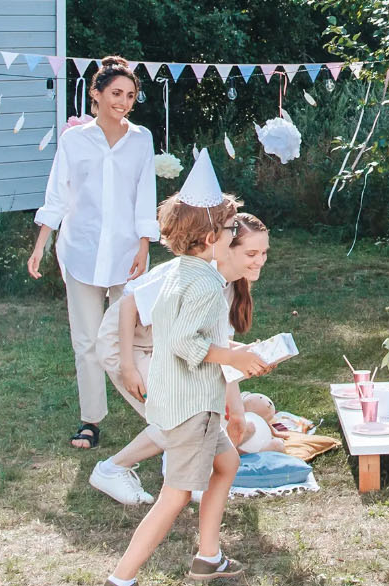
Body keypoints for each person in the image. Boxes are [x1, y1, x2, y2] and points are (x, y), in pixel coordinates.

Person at [105, 149, 270, 585]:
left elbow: (183, 333)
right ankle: (121, 578)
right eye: (232, 228)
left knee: (227, 463)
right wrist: (232, 356)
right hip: (192, 409)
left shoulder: (184, 271)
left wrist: (230, 353)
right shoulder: (207, 285)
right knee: (174, 497)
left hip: (188, 403)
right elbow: (182, 342)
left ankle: (207, 557)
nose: (234, 234)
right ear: (211, 235)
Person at [89, 213, 272, 505]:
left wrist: (237, 411)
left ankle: (181, 475)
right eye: (251, 253)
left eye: (263, 253)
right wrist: (127, 366)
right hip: (128, 343)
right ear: (226, 247)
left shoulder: (226, 284)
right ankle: (112, 469)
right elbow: (129, 305)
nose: (259, 261)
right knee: (181, 413)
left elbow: (217, 350)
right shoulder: (192, 274)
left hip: (167, 345)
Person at [27, 56, 159, 449]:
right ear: (96, 94)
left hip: (127, 255)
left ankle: (150, 410)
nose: (123, 101)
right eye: (116, 93)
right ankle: (91, 420)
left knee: (132, 339)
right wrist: (41, 246)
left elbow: (144, 196)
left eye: (131, 95)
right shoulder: (74, 140)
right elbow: (58, 195)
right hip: (81, 251)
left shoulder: (141, 139)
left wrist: (144, 244)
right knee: (86, 341)